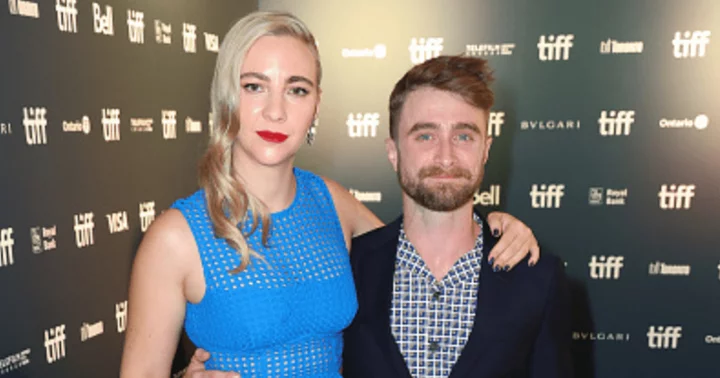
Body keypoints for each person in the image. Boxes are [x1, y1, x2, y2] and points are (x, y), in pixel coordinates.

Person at [119, 11, 540, 378]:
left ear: (316, 106)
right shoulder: (177, 237)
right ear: (226, 95)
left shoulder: (332, 202)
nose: (276, 110)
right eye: (254, 86)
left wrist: (492, 225)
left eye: (297, 89)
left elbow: (423, 247)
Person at [342, 55, 573, 377]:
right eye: (425, 135)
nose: (446, 156)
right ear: (393, 152)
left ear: (486, 151)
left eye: (464, 136)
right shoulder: (347, 269)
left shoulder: (537, 278)